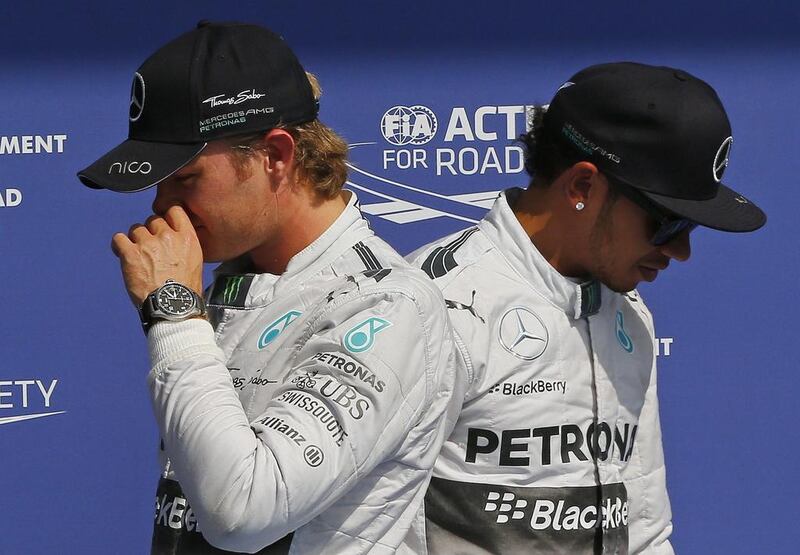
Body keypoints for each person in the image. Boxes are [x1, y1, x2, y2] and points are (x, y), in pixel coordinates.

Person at [78, 21, 464, 554]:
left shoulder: (385, 306)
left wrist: (173, 314)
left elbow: (243, 512)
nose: (161, 206)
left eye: (184, 178)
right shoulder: (228, 285)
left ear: (276, 157)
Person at [406, 62, 766, 554]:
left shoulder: (628, 312)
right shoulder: (427, 305)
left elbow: (643, 528)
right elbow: (363, 532)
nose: (681, 251)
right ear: (582, 187)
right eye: (666, 223)